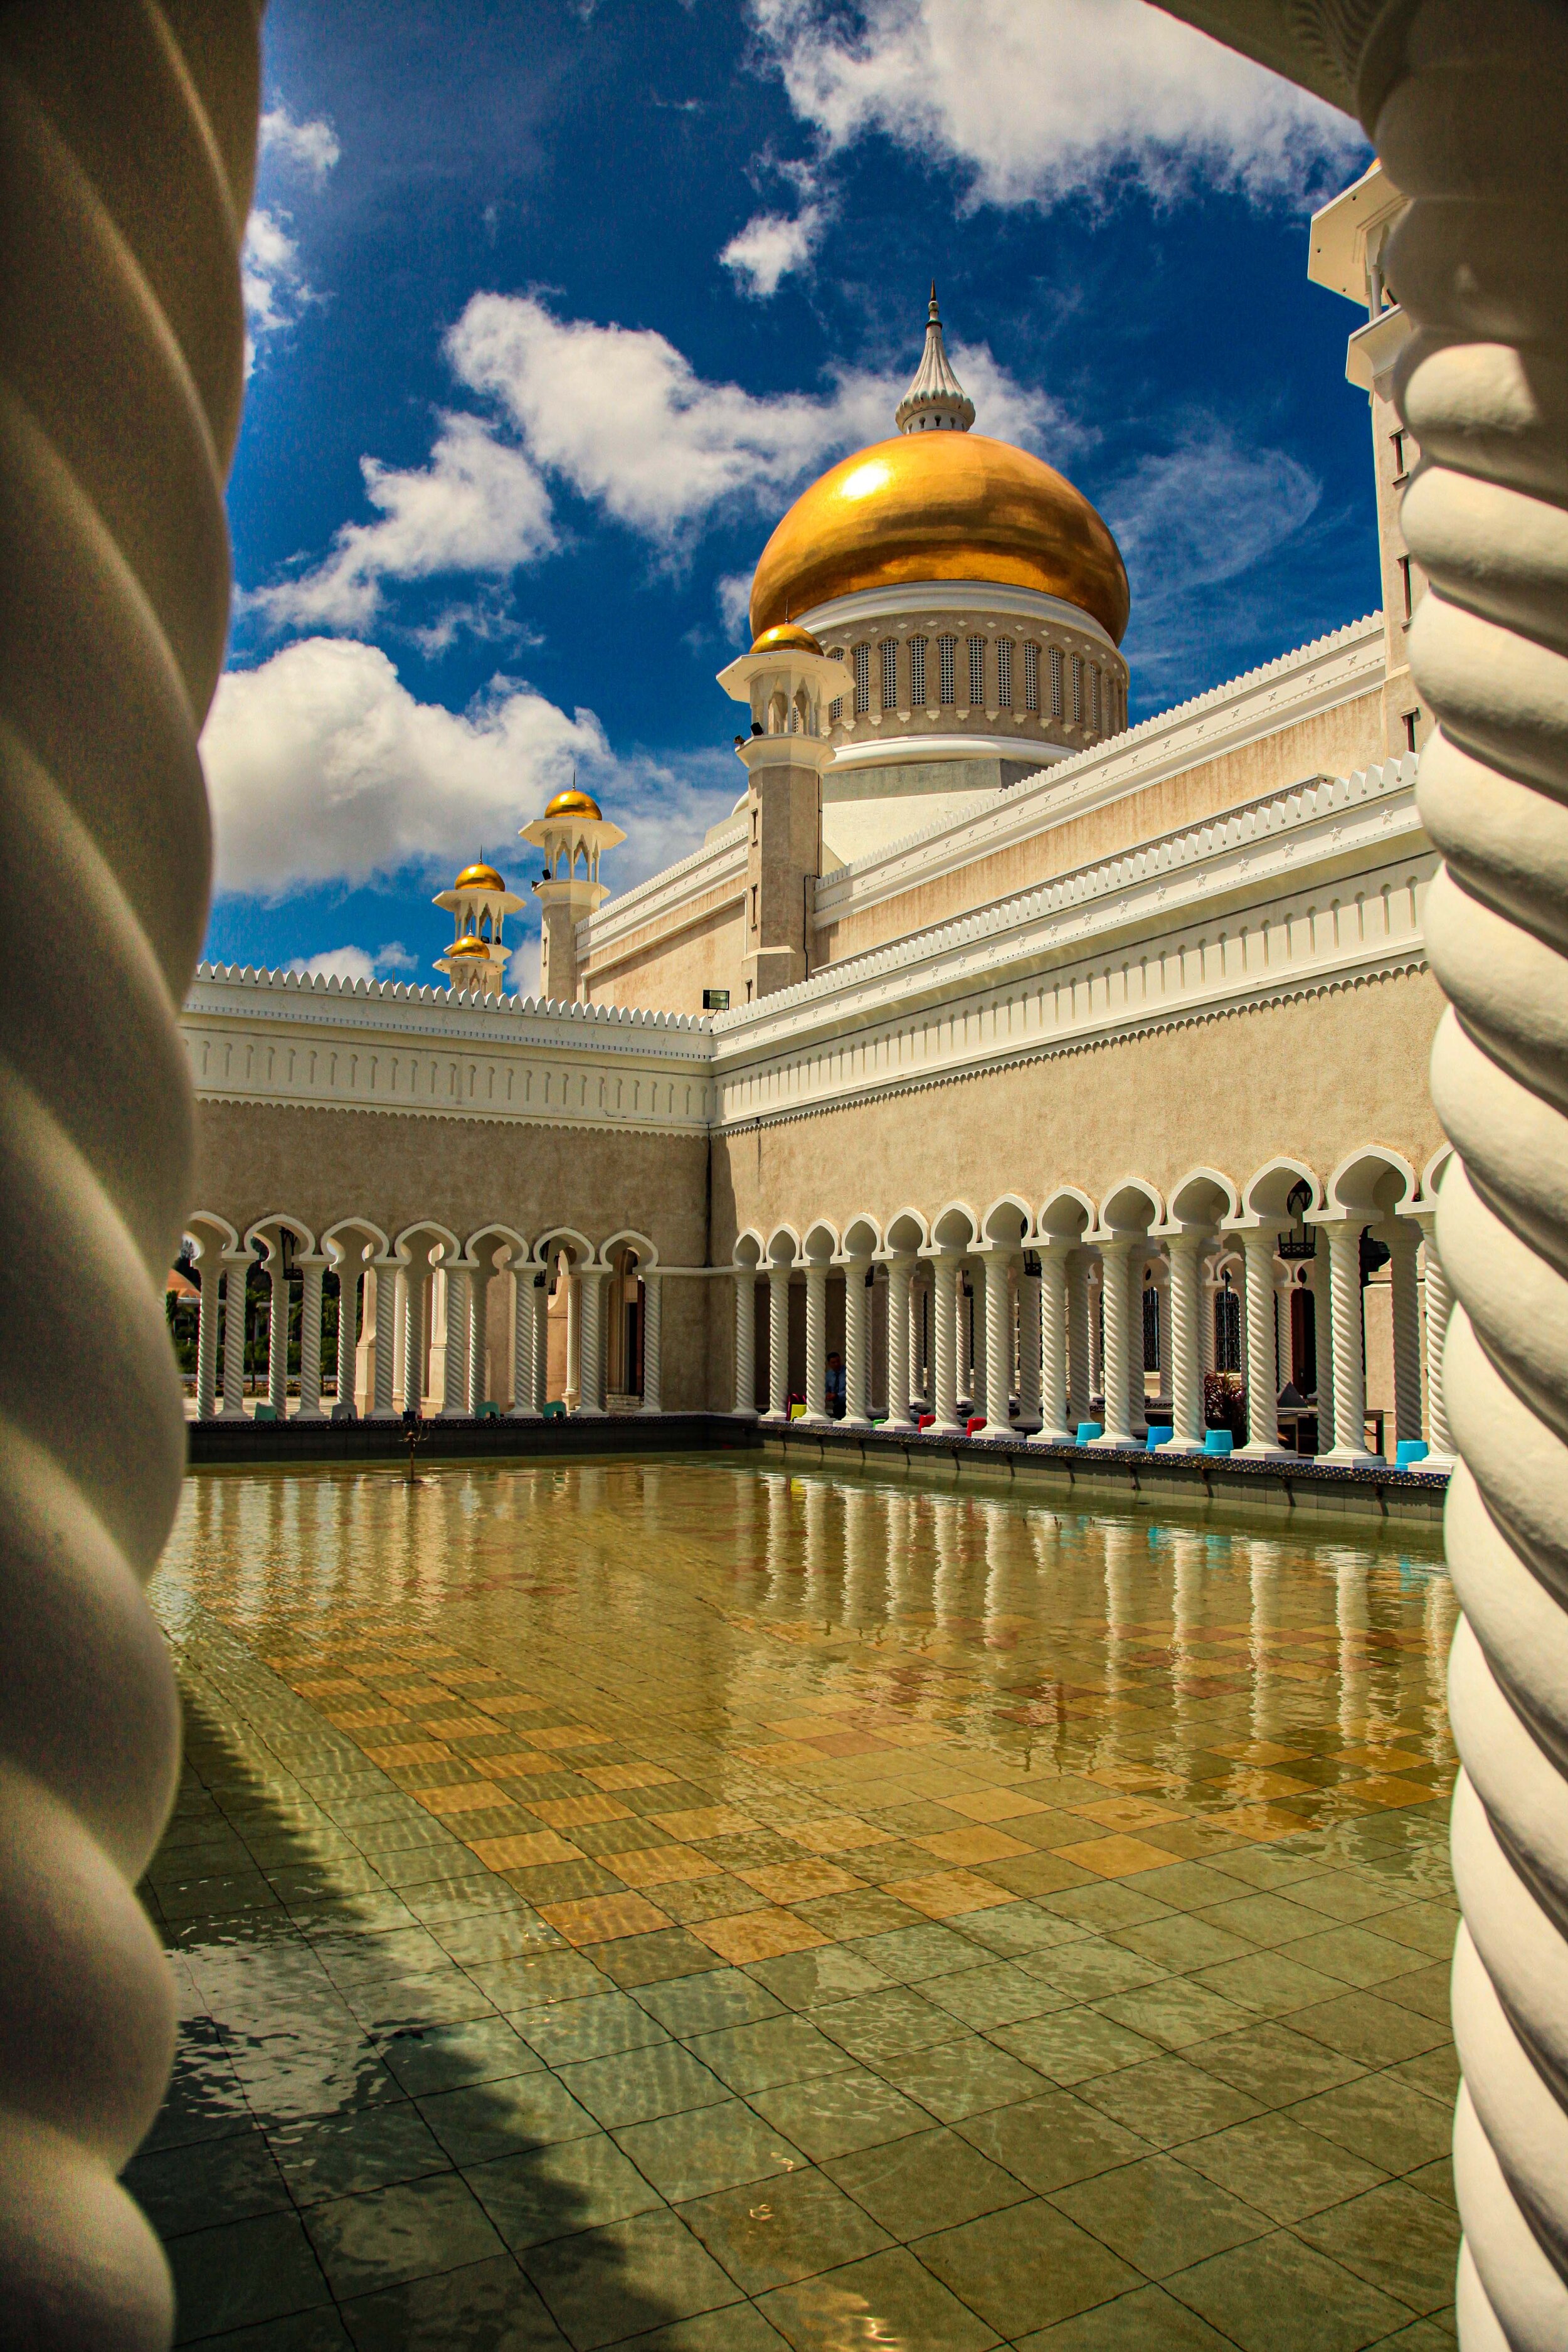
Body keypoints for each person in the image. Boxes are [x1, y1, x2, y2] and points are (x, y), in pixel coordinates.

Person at [825, 1350, 846, 1416]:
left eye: (838, 1361)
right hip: (836, 1406)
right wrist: (828, 1395)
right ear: (829, 1364)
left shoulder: (848, 1373)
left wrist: (837, 1395)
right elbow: (826, 1389)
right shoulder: (829, 1375)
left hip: (848, 1405)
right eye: (833, 1362)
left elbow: (852, 1389)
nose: (836, 1364)